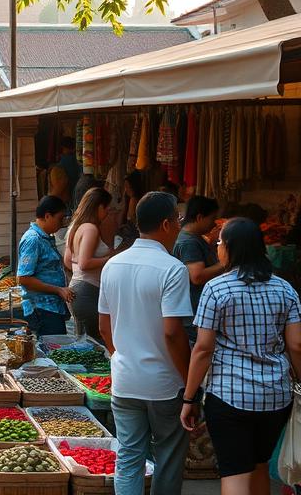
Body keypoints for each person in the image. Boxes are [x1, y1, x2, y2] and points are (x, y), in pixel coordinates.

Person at [181, 218, 301, 495]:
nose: (217, 247)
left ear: (231, 248)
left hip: (229, 396)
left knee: (234, 470)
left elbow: (203, 349)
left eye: (220, 242)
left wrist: (189, 398)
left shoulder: (216, 289)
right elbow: (296, 344)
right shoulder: (285, 289)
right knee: (259, 465)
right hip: (275, 396)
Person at [98, 191, 191, 495]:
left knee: (129, 456)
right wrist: (189, 382)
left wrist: (121, 357)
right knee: (168, 456)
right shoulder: (172, 269)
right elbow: (172, 333)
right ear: (165, 224)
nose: (179, 226)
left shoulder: (113, 265)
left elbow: (104, 326)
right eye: (177, 220)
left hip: (125, 380)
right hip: (164, 383)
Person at [17, 195, 74, 336]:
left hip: (52, 308)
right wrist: (58, 290)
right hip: (41, 309)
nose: (61, 223)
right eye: (59, 218)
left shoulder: (46, 238)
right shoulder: (33, 239)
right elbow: (23, 279)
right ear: (47, 216)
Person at [171, 195, 223, 343]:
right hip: (194, 312)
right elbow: (197, 276)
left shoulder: (193, 238)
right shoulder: (189, 242)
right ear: (200, 217)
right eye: (212, 218)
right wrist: (226, 263)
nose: (214, 223)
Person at [65, 187, 114, 341]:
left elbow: (68, 261)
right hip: (87, 290)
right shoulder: (90, 229)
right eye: (106, 209)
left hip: (77, 288)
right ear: (99, 207)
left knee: (85, 342)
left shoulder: (75, 226)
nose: (107, 213)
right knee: (97, 343)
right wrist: (111, 259)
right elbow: (84, 263)